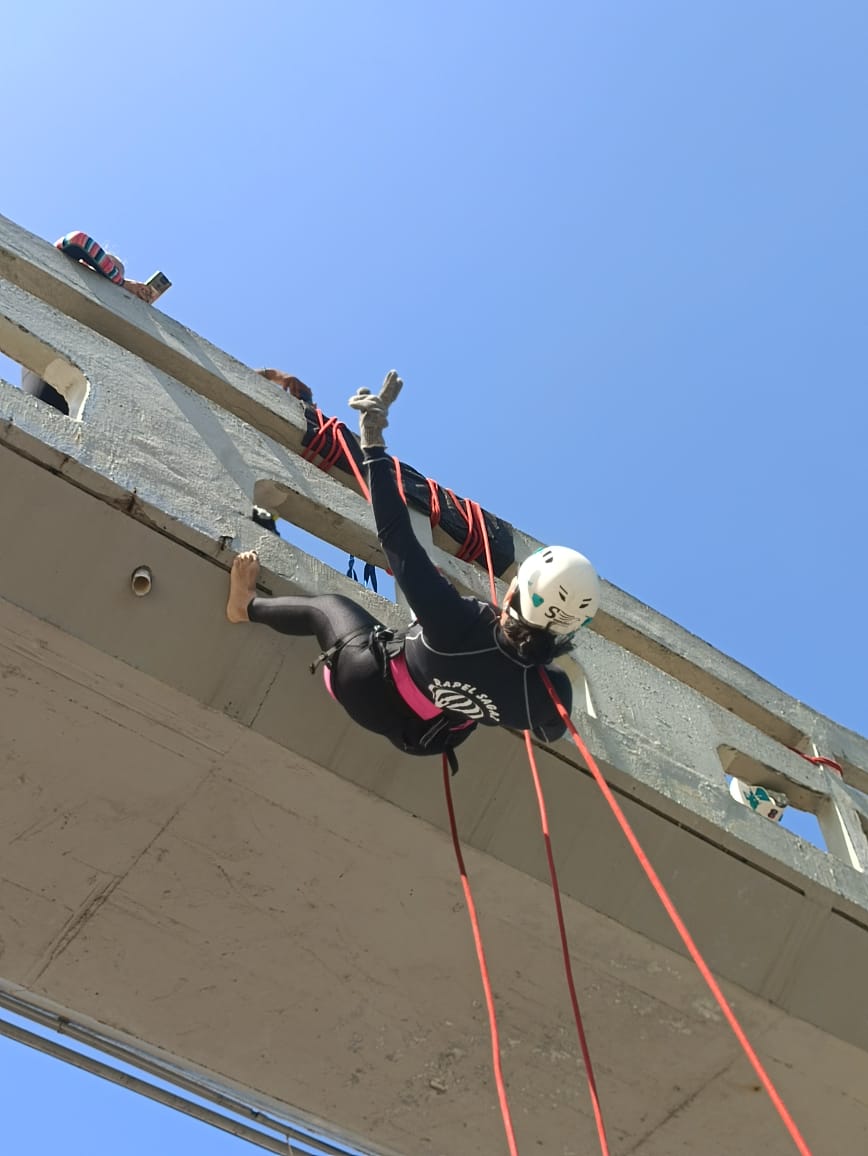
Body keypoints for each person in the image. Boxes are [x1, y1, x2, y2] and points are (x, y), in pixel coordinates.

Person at [225, 372, 600, 763]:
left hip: (366, 685)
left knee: (326, 607)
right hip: (424, 739)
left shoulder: (459, 620)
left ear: (515, 589)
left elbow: (396, 536)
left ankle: (245, 606)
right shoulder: (552, 691)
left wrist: (372, 444)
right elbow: (549, 730)